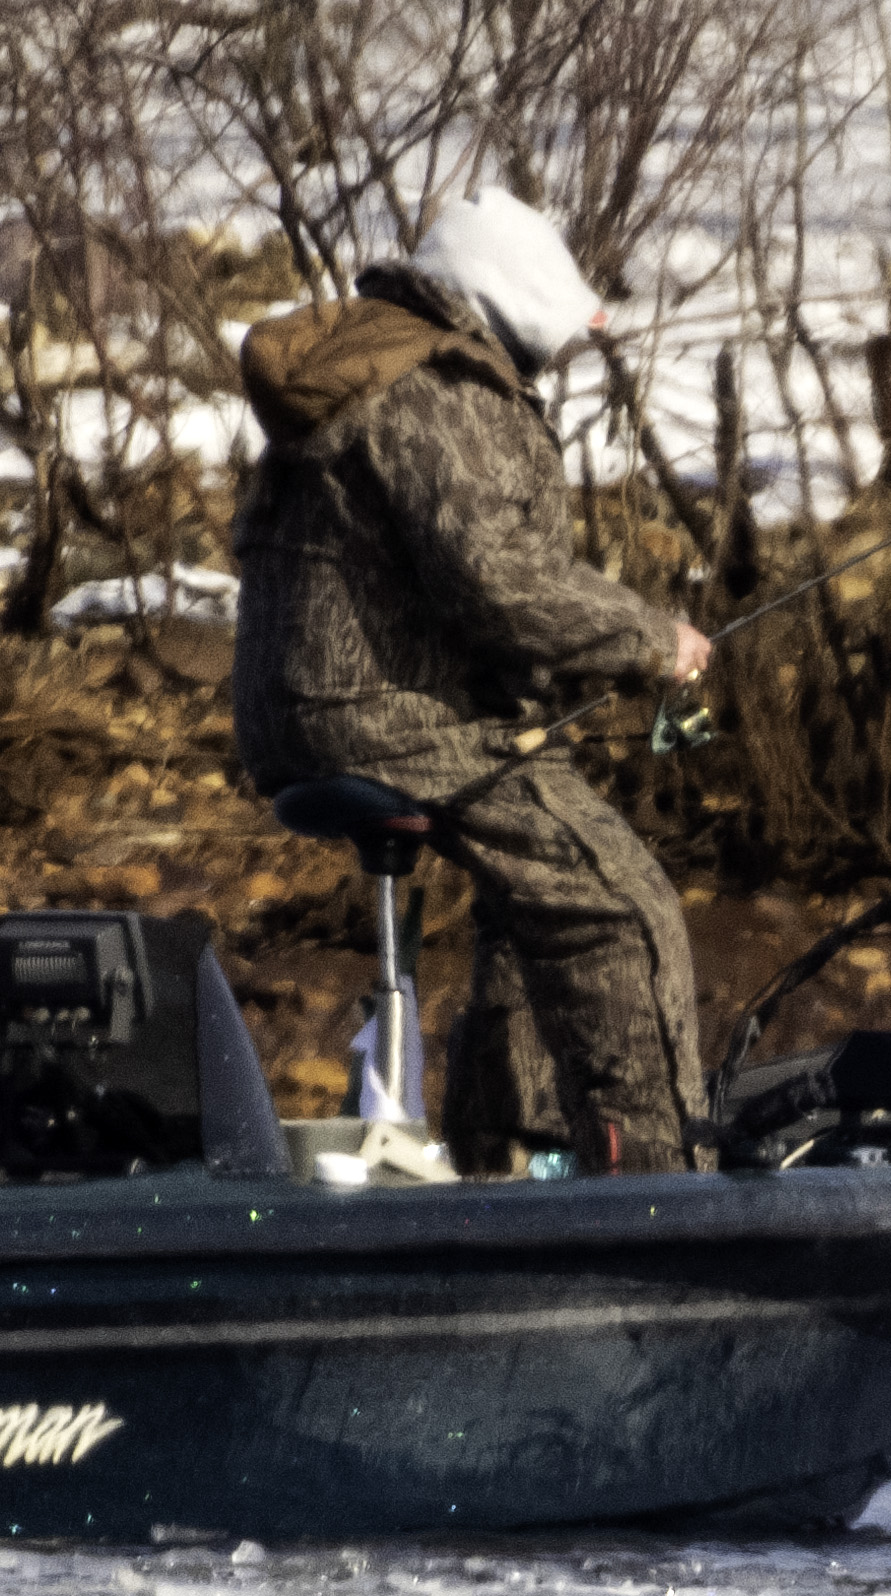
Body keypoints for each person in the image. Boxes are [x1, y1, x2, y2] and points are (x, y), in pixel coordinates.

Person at [227, 190, 715, 1173]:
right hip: (388, 721)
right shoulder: (442, 388)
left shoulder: (364, 362)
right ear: (509, 303)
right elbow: (505, 586)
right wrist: (651, 639)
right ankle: (664, 1184)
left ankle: (509, 1159)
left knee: (531, 898)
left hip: (299, 716)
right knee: (619, 905)